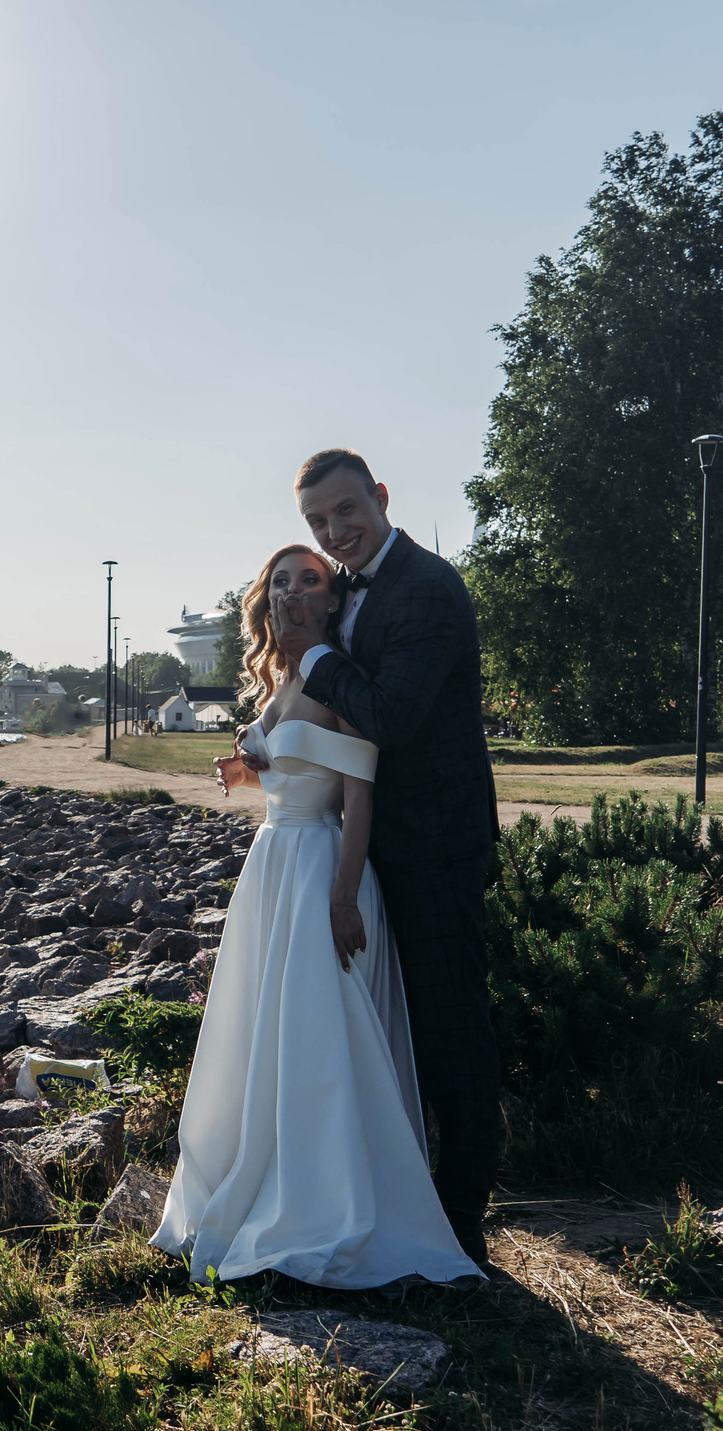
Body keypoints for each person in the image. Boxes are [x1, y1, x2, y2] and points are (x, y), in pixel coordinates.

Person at [152, 542, 481, 1288]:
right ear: (263, 599)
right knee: (266, 1034)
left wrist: (341, 897)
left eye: (310, 581)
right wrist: (248, 760)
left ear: (333, 599)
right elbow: (289, 752)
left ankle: (326, 1201)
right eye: (280, 582)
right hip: (272, 868)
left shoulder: (342, 677)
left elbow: (357, 794)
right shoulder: (286, 674)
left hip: (319, 870)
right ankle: (262, 1177)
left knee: (317, 1037)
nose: (292, 593)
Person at [253, 448, 503, 1265]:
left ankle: (460, 1225)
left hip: (432, 848)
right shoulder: (345, 593)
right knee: (374, 1029)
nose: (334, 531)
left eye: (345, 511)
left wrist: (315, 660)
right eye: (318, 521)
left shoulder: (428, 588)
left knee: (450, 1031)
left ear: (381, 496)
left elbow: (389, 717)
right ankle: (385, 1188)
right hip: (361, 852)